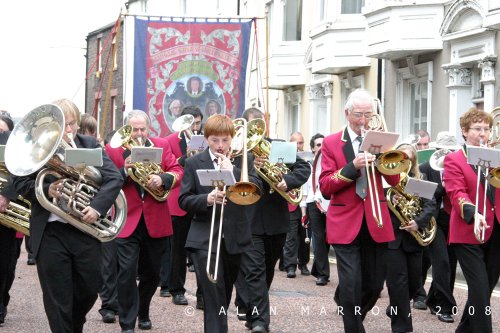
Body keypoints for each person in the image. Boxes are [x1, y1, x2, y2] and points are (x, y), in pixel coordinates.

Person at [12, 99, 124, 333]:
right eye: (64, 126)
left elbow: (114, 178)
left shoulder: (89, 144)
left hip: (84, 230)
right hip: (50, 233)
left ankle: (74, 324)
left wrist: (96, 207)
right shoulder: (36, 149)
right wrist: (46, 189)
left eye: (72, 124)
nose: (70, 130)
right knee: (56, 298)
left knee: (88, 289)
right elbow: (20, 182)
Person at [319, 89, 399, 333]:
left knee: (374, 285)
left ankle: (355, 317)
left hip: (376, 220)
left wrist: (385, 156)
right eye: (358, 115)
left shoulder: (380, 139)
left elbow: (394, 179)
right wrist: (351, 167)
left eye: (368, 114)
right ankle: (353, 328)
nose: (363, 121)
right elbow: (325, 186)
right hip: (345, 221)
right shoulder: (332, 142)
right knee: (351, 284)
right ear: (347, 113)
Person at [178, 114, 262, 333]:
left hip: (235, 237)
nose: (220, 145)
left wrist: (231, 172)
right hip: (204, 238)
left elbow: (254, 189)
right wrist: (206, 199)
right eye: (215, 140)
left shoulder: (243, 160)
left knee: (223, 297)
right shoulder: (194, 162)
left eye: (225, 140)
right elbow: (184, 199)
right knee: (214, 298)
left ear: (232, 139)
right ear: (206, 139)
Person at [105, 110, 183, 333]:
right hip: (126, 219)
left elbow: (177, 170)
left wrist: (163, 178)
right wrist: (125, 171)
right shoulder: (114, 149)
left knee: (153, 273)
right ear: (126, 129)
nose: (139, 134)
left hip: (155, 218)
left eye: (143, 129)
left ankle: (143, 310)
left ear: (149, 129)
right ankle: (127, 323)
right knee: (126, 272)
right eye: (134, 129)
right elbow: (106, 180)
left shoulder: (160, 145)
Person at [235, 107, 310, 333]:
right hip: (250, 220)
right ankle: (260, 323)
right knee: (256, 271)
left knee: (267, 272)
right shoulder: (238, 152)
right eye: (253, 124)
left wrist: (287, 179)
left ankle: (252, 310)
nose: (258, 127)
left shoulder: (276, 146)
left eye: (260, 123)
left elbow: (303, 167)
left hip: (276, 221)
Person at [443, 107, 500, 333]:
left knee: (484, 290)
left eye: (486, 129)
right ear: (465, 132)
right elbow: (456, 193)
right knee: (478, 289)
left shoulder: (496, 158)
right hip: (468, 229)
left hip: (495, 228)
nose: (483, 133)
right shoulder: (454, 160)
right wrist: (472, 211)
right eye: (477, 129)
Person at [385, 143, 436, 333]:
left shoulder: (417, 180)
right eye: (401, 157)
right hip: (393, 239)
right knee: (398, 283)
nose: (404, 161)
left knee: (415, 284)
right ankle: (402, 327)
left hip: (413, 238)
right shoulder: (386, 181)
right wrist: (389, 201)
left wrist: (418, 222)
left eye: (408, 158)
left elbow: (430, 205)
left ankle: (396, 308)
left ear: (413, 162)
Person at [77, 114, 119, 324]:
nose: (90, 136)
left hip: (100, 213)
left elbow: (113, 178)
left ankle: (109, 304)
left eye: (92, 132)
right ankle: (108, 304)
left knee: (107, 262)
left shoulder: (98, 149)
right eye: (86, 132)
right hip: (75, 214)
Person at [163, 105, 204, 309]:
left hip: (201, 198)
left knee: (201, 250)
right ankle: (177, 290)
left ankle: (203, 293)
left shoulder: (207, 139)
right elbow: (171, 167)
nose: (195, 127)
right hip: (178, 200)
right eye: (191, 123)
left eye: (197, 122)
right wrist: (186, 157)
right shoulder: (170, 141)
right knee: (177, 250)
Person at [419, 131, 458, 324]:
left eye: (451, 151)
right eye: (443, 150)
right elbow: (420, 194)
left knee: (450, 262)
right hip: (434, 219)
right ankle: (445, 307)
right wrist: (442, 187)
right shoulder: (425, 168)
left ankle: (434, 299)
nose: (447, 154)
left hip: (454, 219)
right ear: (436, 150)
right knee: (441, 262)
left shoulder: (459, 167)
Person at [0, 112, 22, 325]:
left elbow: (20, 172)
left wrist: (5, 194)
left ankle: (2, 302)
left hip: (7, 213)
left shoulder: (15, 149)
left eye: (2, 132)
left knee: (6, 265)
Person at [302, 133, 329, 286]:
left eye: (323, 144)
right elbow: (305, 191)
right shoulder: (309, 166)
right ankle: (323, 274)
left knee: (328, 238)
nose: (321, 147)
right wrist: (303, 212)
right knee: (318, 238)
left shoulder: (331, 162)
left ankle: (318, 269)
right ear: (312, 148)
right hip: (313, 203)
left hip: (329, 203)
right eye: (318, 145)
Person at [282, 131, 311, 278]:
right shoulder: (286, 159)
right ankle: (290, 265)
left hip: (307, 200)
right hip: (292, 201)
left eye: (301, 143)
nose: (299, 146)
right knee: (291, 236)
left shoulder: (309, 159)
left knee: (305, 235)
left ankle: (304, 263)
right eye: (296, 143)